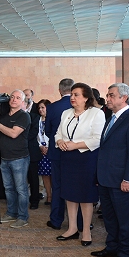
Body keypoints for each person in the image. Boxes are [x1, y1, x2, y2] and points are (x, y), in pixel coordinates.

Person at [92, 83, 129, 257]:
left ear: (124, 98)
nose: (107, 99)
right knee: (110, 217)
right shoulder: (111, 118)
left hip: (122, 180)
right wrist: (98, 176)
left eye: (111, 95)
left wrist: (128, 179)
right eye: (108, 95)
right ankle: (112, 247)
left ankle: (124, 254)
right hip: (106, 179)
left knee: (125, 219)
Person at [54, 83, 105, 245]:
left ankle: (86, 232)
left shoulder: (96, 113)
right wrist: (60, 141)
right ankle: (72, 228)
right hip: (67, 159)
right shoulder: (66, 113)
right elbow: (58, 133)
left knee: (85, 196)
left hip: (86, 159)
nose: (72, 97)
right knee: (69, 195)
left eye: (76, 95)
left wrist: (75, 145)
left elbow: (98, 139)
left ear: (86, 98)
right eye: (72, 94)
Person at [0, 90, 31, 228]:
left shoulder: (24, 116)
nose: (14, 99)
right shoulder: (4, 116)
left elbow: (13, 134)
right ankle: (12, 212)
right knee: (8, 188)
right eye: (12, 97)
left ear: (22, 102)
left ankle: (23, 217)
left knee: (21, 189)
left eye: (18, 98)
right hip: (4, 158)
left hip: (19, 158)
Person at [45, 78, 74, 230]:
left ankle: (56, 220)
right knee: (76, 186)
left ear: (60, 90)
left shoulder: (52, 107)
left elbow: (48, 131)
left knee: (57, 187)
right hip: (76, 152)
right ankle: (80, 222)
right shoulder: (79, 105)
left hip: (56, 152)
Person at [36, 99, 52, 205]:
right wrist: (40, 146)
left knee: (53, 175)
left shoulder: (52, 119)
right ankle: (49, 196)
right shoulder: (37, 120)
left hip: (51, 150)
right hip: (41, 150)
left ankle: (55, 196)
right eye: (39, 108)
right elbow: (36, 135)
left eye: (43, 107)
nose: (40, 110)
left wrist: (49, 147)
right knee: (45, 175)